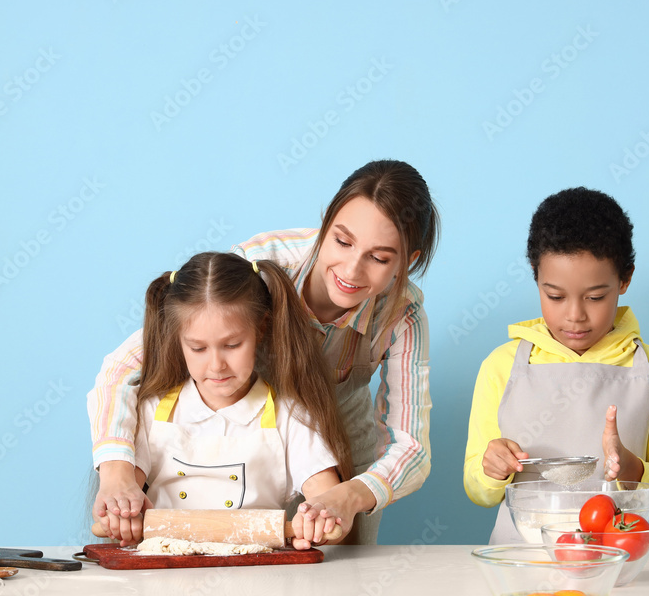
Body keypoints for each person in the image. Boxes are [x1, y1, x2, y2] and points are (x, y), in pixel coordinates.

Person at [88, 160, 439, 544]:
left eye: (379, 258)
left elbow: (411, 446)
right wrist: (119, 473)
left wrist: (349, 494)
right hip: (246, 429)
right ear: (325, 224)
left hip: (337, 435)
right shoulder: (262, 263)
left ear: (409, 261)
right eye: (342, 241)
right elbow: (122, 367)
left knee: (338, 563)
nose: (352, 270)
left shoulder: (403, 313)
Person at [463, 187, 649, 543]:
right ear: (536, 277)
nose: (574, 315)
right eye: (554, 296)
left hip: (622, 565)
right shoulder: (502, 365)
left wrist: (632, 468)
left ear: (625, 278)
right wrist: (491, 469)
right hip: (523, 563)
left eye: (595, 297)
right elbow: (478, 493)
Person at [92, 252, 354, 549]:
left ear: (262, 328)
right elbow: (125, 492)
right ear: (178, 341)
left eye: (232, 345)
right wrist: (120, 514)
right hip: (165, 571)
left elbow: (327, 497)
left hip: (257, 575)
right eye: (198, 348)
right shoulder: (153, 412)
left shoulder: (290, 416)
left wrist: (321, 517)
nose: (216, 365)